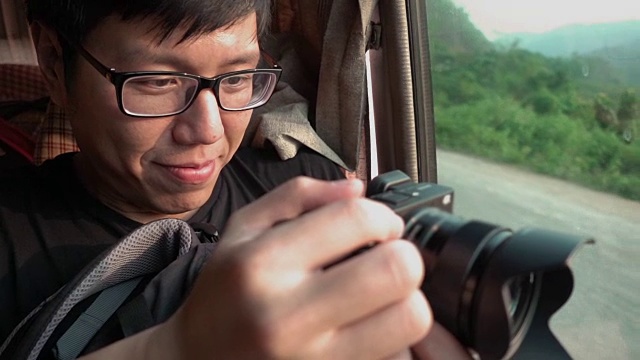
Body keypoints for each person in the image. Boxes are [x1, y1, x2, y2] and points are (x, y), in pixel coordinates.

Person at [0, 0, 471, 358]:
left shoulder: (311, 192)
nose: (207, 130)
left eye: (238, 77)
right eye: (156, 81)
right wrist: (175, 348)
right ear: (54, 64)